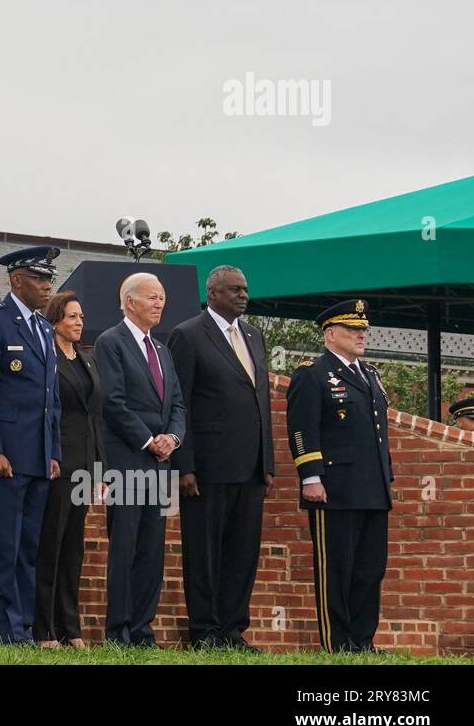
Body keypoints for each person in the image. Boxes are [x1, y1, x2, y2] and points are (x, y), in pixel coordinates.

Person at [168, 265, 274, 651]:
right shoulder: (189, 335)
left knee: (243, 553)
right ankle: (205, 631)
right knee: (204, 551)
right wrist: (185, 464)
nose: (243, 295)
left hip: (250, 466)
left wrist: (268, 463)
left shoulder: (253, 335)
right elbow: (180, 403)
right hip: (208, 468)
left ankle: (233, 630)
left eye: (245, 289)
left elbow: (261, 400)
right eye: (235, 290)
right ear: (213, 294)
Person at [0, 246, 63, 644]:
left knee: (28, 548)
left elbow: (50, 398)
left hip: (37, 457)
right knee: (5, 545)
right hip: (6, 455)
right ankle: (2, 632)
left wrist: (53, 452)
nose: (47, 286)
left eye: (49, 279)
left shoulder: (41, 328)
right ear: (16, 280)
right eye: (40, 279)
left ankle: (21, 629)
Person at [286, 299, 393, 653]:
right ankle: (338, 643)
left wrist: (385, 476)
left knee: (369, 570)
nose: (361, 335)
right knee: (337, 570)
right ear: (331, 334)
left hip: (372, 488)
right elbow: (302, 429)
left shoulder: (371, 374)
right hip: (334, 488)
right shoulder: (313, 373)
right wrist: (310, 476)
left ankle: (363, 641)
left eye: (363, 329)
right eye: (353, 329)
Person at [94, 272, 186, 647]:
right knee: (126, 545)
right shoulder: (110, 343)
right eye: (152, 297)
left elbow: (177, 402)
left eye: (162, 297)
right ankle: (119, 631)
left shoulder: (162, 350)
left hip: (159, 464)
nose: (160, 303)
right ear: (130, 301)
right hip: (127, 461)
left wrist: (172, 438)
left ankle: (142, 629)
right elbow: (113, 403)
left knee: (152, 548)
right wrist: (149, 440)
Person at [33, 290, 104, 648]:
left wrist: (101, 468)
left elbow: (96, 417)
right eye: (73, 317)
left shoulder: (87, 361)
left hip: (85, 466)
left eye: (81, 317)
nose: (79, 323)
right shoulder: (46, 358)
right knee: (51, 545)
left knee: (74, 548)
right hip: (58, 463)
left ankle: (69, 628)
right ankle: (43, 629)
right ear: (56, 319)